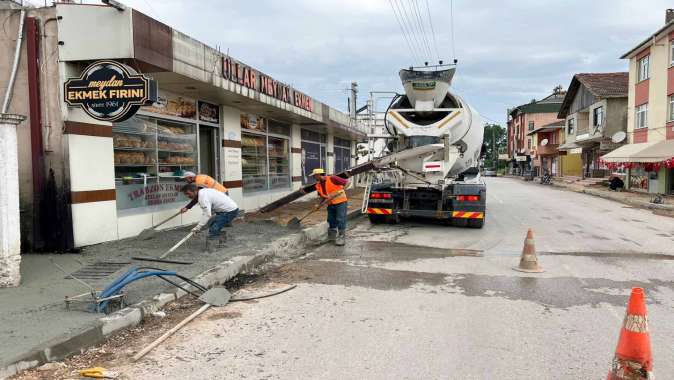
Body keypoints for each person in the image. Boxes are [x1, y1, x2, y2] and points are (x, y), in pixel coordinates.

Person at [181, 183, 239, 250]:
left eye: (188, 193)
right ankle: (222, 243)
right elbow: (196, 198)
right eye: (186, 194)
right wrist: (187, 207)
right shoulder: (201, 190)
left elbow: (207, 214)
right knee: (212, 224)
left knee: (213, 229)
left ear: (194, 191)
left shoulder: (203, 197)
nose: (187, 195)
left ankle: (212, 249)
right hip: (226, 210)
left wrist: (198, 227)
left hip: (229, 211)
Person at [302, 168, 349, 246]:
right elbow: (322, 196)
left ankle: (342, 237)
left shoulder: (332, 178)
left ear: (318, 175)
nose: (314, 178)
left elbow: (347, 182)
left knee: (340, 219)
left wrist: (341, 190)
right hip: (330, 203)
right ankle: (331, 237)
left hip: (341, 202)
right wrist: (318, 205)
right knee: (331, 220)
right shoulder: (318, 185)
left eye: (314, 176)